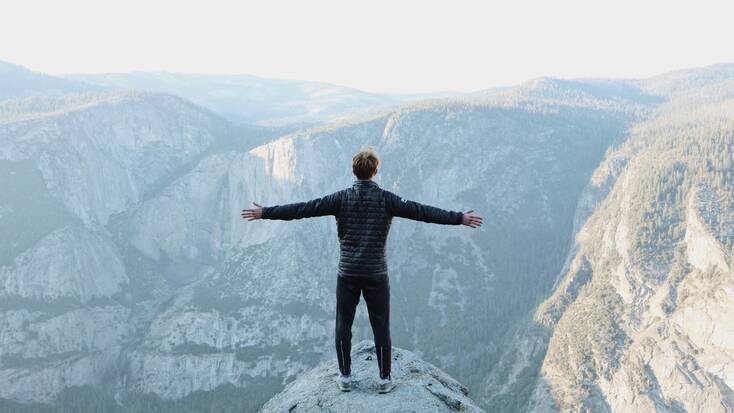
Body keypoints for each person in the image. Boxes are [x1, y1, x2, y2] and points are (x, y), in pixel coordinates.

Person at [241, 147, 483, 394]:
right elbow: (423, 212)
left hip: (347, 273)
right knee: (381, 326)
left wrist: (265, 213)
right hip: (376, 274)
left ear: (353, 171)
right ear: (375, 171)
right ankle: (384, 379)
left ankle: (345, 377)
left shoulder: (341, 198)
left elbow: (303, 209)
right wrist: (459, 218)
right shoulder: (388, 200)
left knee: (343, 324)